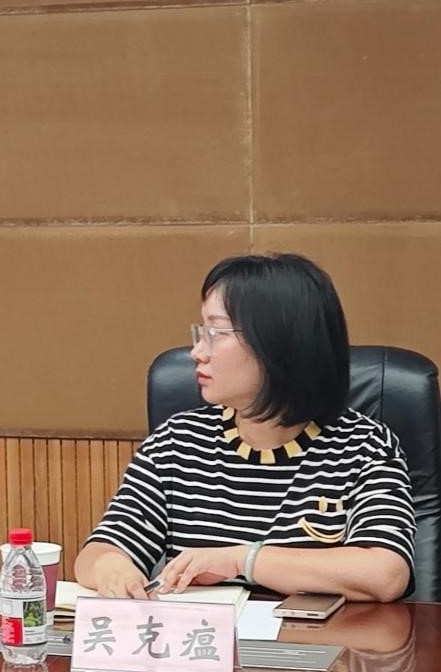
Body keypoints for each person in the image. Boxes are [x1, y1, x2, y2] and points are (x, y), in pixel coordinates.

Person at [76, 254, 415, 602]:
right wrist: (111, 566)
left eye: (216, 333)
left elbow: (385, 574)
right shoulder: (176, 442)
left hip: (318, 638)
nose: (197, 352)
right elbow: (97, 552)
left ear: (279, 345)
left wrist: (242, 560)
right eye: (200, 332)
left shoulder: (364, 447)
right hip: (204, 636)